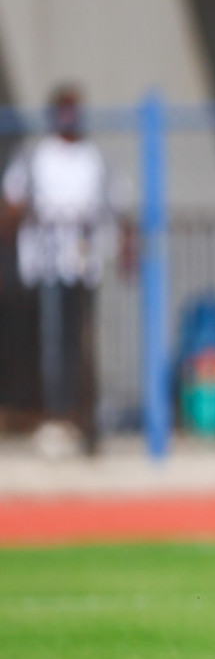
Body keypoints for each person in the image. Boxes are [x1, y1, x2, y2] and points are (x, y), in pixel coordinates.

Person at [2, 85, 120, 454]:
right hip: (46, 264)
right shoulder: (36, 155)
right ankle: (55, 416)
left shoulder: (94, 158)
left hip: (84, 265)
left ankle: (84, 418)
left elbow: (117, 204)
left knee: (83, 343)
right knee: (51, 343)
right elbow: (12, 201)